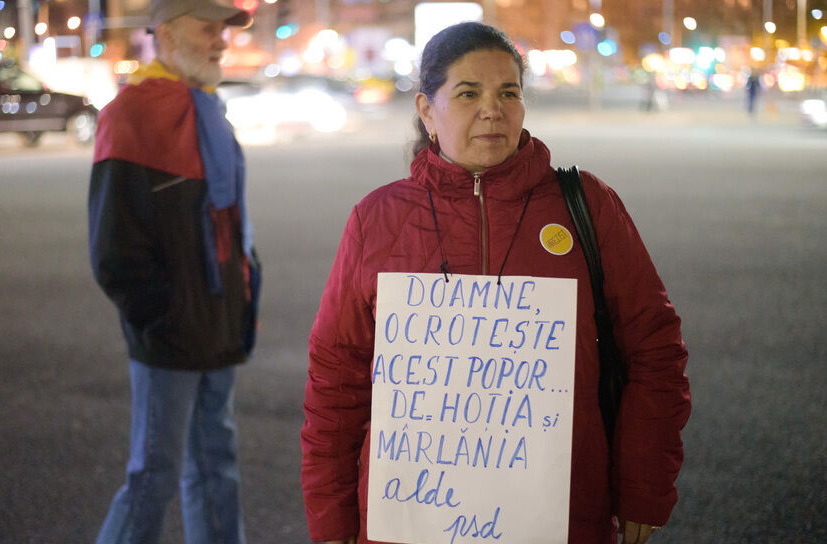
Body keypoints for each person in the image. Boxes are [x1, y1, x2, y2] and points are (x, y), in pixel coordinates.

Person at [301, 22, 690, 544]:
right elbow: (336, 377)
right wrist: (331, 514)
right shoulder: (377, 219)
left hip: (561, 517)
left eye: (509, 92)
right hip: (409, 520)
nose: (493, 109)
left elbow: (655, 349)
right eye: (468, 93)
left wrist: (644, 483)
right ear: (426, 110)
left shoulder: (587, 206)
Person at [88, 1, 260, 543]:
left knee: (216, 468)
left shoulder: (207, 109)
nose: (220, 41)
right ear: (166, 33)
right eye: (207, 29)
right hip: (171, 328)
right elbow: (114, 250)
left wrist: (240, 298)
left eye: (223, 30)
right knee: (153, 477)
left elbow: (231, 223)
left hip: (218, 319)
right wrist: (163, 316)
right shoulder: (132, 113)